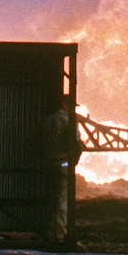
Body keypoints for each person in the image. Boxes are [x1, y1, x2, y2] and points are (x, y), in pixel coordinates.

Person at [40, 97, 82, 244]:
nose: (73, 109)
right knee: (62, 201)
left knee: (50, 199)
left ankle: (48, 233)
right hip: (63, 164)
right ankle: (59, 235)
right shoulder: (68, 121)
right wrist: (73, 162)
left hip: (48, 163)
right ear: (65, 104)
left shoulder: (48, 120)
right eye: (71, 106)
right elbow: (77, 144)